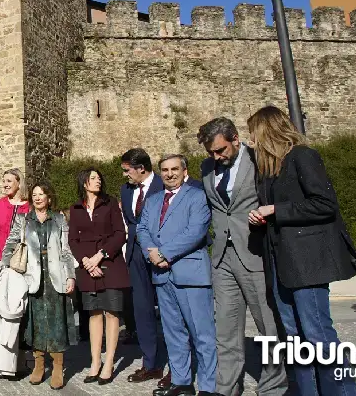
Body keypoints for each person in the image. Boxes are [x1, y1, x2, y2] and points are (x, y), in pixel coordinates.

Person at [247, 106, 356, 396]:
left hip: (307, 262)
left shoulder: (303, 156)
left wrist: (276, 209)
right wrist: (260, 217)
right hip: (280, 262)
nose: (252, 142)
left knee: (319, 335)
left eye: (254, 135)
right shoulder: (269, 170)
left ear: (267, 132)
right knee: (296, 338)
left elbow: (325, 204)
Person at [197, 117, 287, 396]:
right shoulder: (207, 167)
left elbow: (277, 198)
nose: (216, 156)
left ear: (236, 139)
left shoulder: (259, 160)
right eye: (211, 152)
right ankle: (226, 388)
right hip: (222, 257)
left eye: (221, 150)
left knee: (268, 326)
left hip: (255, 253)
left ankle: (273, 387)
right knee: (225, 329)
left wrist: (266, 216)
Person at [137, 154, 217, 396]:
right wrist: (151, 253)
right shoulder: (153, 201)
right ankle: (181, 382)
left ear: (185, 171)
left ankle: (208, 386)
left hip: (190, 273)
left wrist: (163, 253)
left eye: (174, 169)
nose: (169, 173)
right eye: (164, 170)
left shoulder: (197, 196)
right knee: (173, 333)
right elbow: (142, 229)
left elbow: (196, 232)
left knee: (201, 333)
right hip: (162, 277)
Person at [1, 181, 78, 390]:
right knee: (34, 323)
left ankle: (57, 366)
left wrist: (70, 276)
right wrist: (5, 265)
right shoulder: (23, 220)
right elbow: (10, 244)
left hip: (55, 278)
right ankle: (38, 364)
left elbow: (66, 250)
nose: (37, 197)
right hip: (31, 279)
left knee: (57, 323)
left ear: (49, 198)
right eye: (34, 194)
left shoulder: (60, 219)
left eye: (41, 194)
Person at [68, 168, 129, 385]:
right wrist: (86, 261)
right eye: (92, 178)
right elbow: (73, 240)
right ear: (84, 183)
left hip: (111, 264)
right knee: (94, 314)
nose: (98, 181)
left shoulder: (110, 203)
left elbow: (120, 234)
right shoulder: (75, 208)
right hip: (88, 268)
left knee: (112, 313)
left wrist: (100, 256)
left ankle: (109, 362)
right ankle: (95, 362)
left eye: (99, 178)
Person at [119, 148, 170, 387]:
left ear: (141, 168)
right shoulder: (126, 190)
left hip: (162, 255)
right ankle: (150, 363)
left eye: (127, 170)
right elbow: (131, 223)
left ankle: (176, 365)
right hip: (136, 256)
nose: (125, 175)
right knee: (142, 310)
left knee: (171, 312)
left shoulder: (164, 185)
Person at [0, 168, 29, 276]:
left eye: (9, 181)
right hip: (1, 260)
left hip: (24, 261)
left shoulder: (29, 207)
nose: (5, 184)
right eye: (3, 181)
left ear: (19, 183)